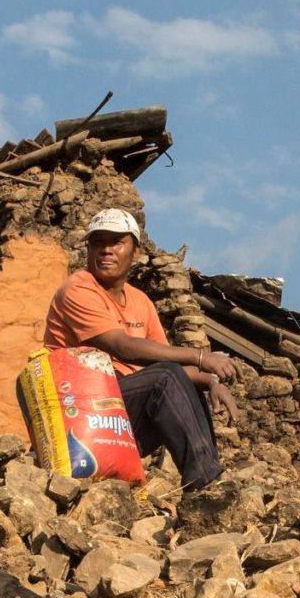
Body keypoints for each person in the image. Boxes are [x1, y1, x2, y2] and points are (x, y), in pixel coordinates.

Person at [42, 207, 237, 490]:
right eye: (98, 243)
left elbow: (176, 369)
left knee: (178, 381)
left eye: (116, 242)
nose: (106, 250)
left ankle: (207, 478)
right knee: (165, 378)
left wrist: (212, 380)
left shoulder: (140, 301)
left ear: (135, 252)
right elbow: (124, 347)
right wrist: (201, 357)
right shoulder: (78, 289)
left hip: (116, 418)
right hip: (79, 416)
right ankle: (206, 486)